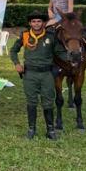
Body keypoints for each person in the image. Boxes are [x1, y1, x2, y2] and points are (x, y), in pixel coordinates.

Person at [10, 11, 67, 140]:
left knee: (48, 101)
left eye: (39, 21)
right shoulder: (25, 35)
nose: (36, 24)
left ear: (43, 23)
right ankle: (31, 129)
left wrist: (72, 59)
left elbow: (60, 53)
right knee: (31, 101)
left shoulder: (51, 36)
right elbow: (13, 50)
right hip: (30, 74)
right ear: (30, 23)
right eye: (34, 21)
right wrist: (17, 63)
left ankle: (50, 130)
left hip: (47, 74)